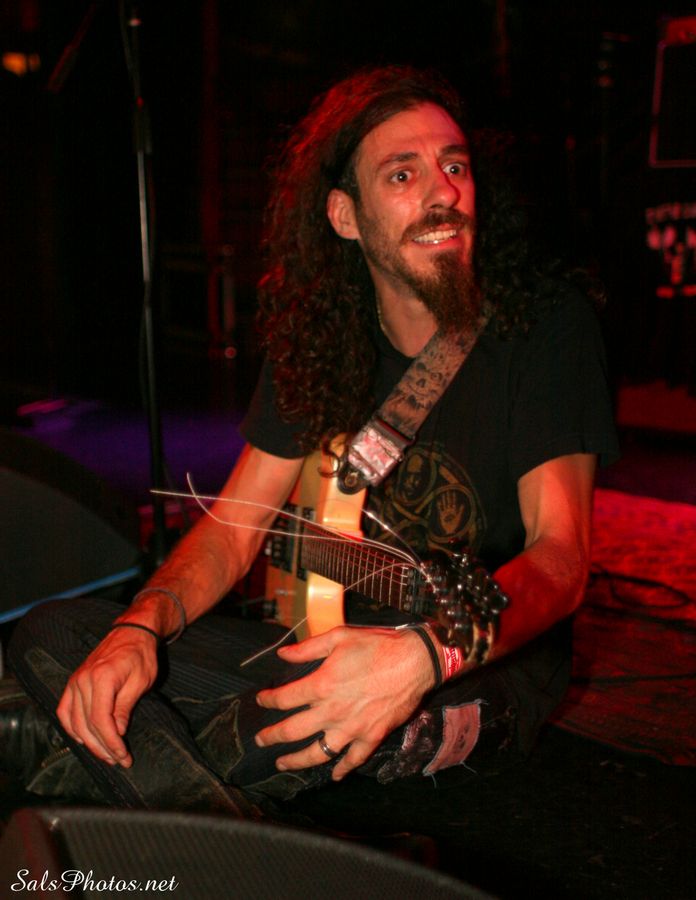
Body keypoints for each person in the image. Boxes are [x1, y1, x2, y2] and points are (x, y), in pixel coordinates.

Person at [3, 65, 618, 813]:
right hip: (321, 644)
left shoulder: (546, 326)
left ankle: (93, 769)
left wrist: (425, 654)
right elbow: (234, 532)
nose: (445, 193)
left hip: (477, 665)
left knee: (303, 724)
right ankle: (197, 818)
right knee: (55, 630)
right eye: (403, 174)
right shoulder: (322, 341)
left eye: (455, 167)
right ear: (345, 215)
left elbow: (560, 558)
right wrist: (140, 625)